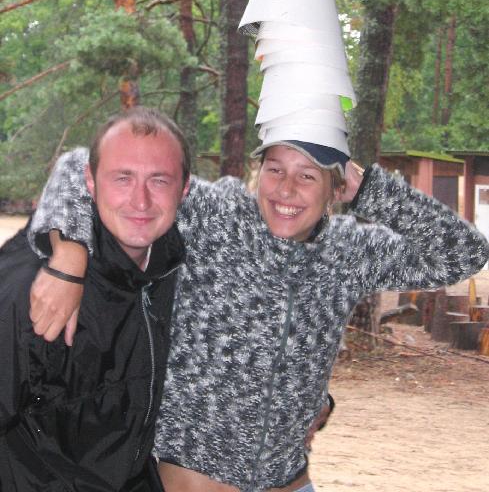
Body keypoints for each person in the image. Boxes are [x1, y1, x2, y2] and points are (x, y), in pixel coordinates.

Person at [26, 141, 489, 492]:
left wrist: (371, 189)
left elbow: (464, 252)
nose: (286, 189)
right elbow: (83, 164)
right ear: (257, 172)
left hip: (292, 482)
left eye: (308, 176)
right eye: (275, 169)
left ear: (336, 189)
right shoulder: (213, 215)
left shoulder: (351, 251)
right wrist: (69, 255)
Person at [0, 106, 190, 491]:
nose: (140, 201)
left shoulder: (172, 270)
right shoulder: (34, 291)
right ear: (89, 180)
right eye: (123, 178)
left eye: (159, 180)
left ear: (184, 189)